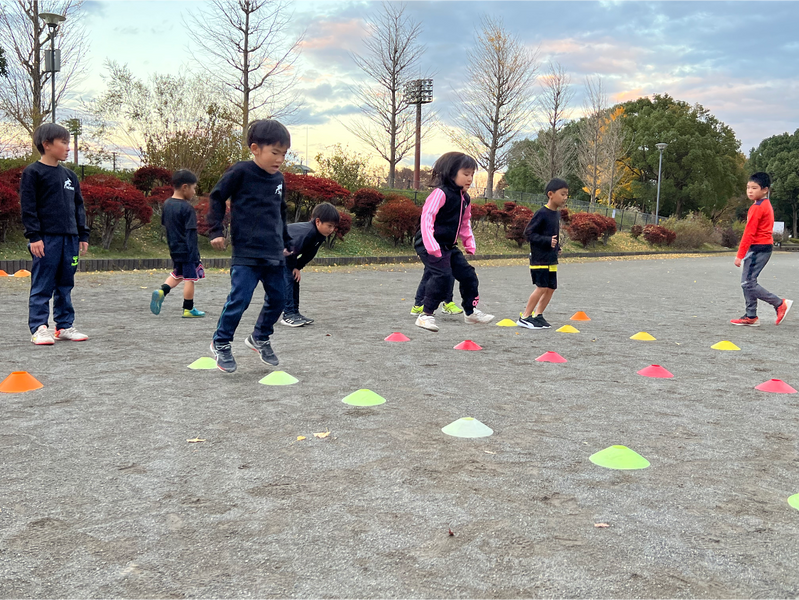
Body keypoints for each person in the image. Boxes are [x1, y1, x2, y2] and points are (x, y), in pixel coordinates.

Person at [207, 120, 292, 372]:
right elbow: (217, 196)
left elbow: (281, 212)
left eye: (284, 154)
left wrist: (286, 241)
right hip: (246, 252)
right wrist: (216, 230)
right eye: (275, 152)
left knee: (279, 298)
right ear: (255, 148)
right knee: (240, 299)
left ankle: (260, 336)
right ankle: (221, 342)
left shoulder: (279, 179)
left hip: (274, 252)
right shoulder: (241, 172)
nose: (279, 159)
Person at [20, 123, 89, 345]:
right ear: (47, 144)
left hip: (69, 239)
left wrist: (82, 235)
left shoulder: (70, 176)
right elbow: (28, 207)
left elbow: (78, 206)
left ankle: (65, 325)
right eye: (64, 143)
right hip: (45, 239)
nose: (68, 148)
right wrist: (34, 236)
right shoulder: (33, 173)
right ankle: (39, 327)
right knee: (43, 283)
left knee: (65, 283)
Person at [413, 151, 494, 332]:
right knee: (442, 275)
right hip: (428, 243)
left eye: (472, 174)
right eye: (466, 174)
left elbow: (465, 222)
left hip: (449, 245)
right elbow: (427, 218)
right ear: (451, 174)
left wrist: (469, 242)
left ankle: (470, 312)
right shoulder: (439, 194)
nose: (470, 178)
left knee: (468, 275)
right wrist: (431, 244)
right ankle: (425, 315)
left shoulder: (465, 198)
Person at [730, 172, 792, 326]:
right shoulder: (765, 205)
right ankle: (751, 316)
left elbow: (749, 233)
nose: (750, 191)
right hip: (762, 247)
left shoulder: (758, 207)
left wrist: (740, 255)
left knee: (747, 283)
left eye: (754, 188)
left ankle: (779, 303)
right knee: (748, 282)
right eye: (748, 187)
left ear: (765, 190)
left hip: (758, 248)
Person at [150, 169, 205, 318]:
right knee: (190, 278)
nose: (194, 192)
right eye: (193, 188)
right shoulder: (187, 208)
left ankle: (162, 291)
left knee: (178, 274)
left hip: (174, 248)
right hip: (187, 249)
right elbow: (191, 233)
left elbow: (165, 224)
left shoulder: (167, 204)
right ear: (185, 187)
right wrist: (194, 255)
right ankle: (188, 308)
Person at [517, 178, 569, 330]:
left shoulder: (556, 214)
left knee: (551, 287)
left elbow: (553, 235)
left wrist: (556, 246)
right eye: (563, 194)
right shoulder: (542, 213)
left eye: (567, 195)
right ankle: (525, 316)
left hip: (551, 258)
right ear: (551, 194)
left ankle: (538, 315)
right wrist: (547, 241)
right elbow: (529, 233)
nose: (565, 198)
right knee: (541, 287)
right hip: (540, 259)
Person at [280, 202, 339, 327]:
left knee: (294, 279)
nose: (331, 230)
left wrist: (298, 267)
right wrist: (292, 266)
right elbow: (289, 251)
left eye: (333, 227)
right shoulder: (307, 232)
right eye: (329, 226)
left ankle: (294, 312)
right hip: (273, 251)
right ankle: (288, 314)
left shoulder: (320, 235)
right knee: (288, 279)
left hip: (286, 254)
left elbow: (310, 254)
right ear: (318, 222)